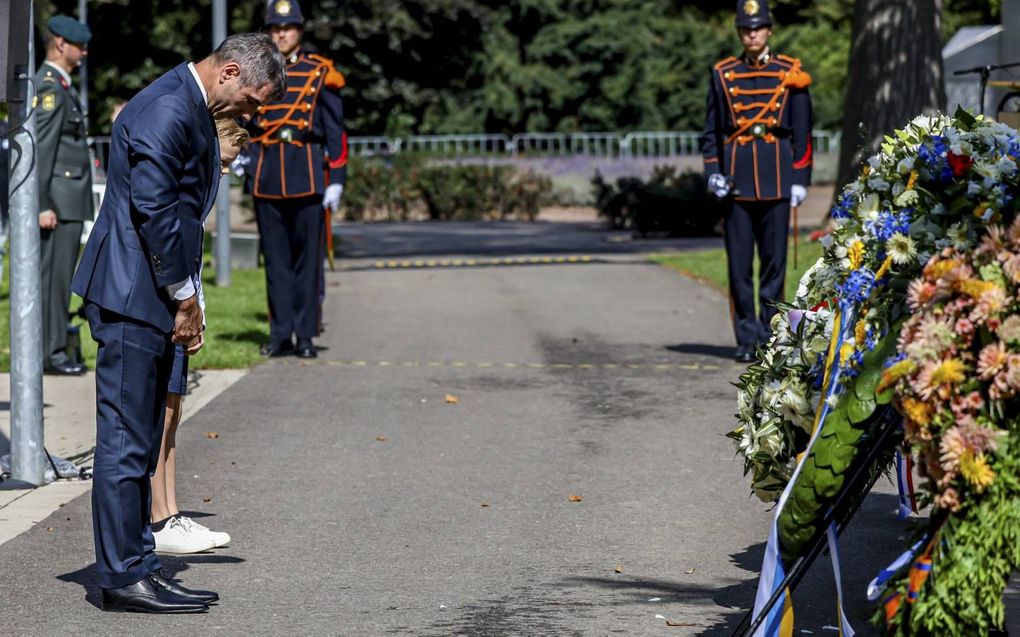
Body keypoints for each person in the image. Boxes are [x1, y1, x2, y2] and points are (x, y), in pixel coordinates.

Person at [70, 34, 285, 614]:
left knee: (139, 440)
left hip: (148, 292)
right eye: (252, 101)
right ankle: (121, 575)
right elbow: (156, 208)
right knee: (123, 439)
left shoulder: (186, 101)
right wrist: (185, 295)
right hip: (133, 293)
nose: (251, 114)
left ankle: (139, 563)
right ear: (231, 71)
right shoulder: (169, 105)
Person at [150, 119, 248, 555]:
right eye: (224, 162)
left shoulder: (198, 197)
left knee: (173, 416)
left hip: (185, 309)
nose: (225, 172)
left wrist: (199, 310)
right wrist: (187, 308)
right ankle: (159, 517)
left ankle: (170, 509)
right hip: (168, 311)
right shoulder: (185, 194)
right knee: (161, 418)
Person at [701, 0, 813, 363]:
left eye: (758, 27)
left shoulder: (790, 72)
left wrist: (800, 178)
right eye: (746, 29)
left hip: (778, 178)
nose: (752, 34)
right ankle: (746, 336)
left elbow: (802, 132)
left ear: (769, 31)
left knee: (774, 265)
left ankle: (770, 335)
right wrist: (712, 172)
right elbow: (712, 133)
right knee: (738, 267)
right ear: (740, 32)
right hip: (736, 180)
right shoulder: (722, 73)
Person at [240, 0, 348, 359]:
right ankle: (280, 333)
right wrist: (242, 154)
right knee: (275, 262)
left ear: (299, 31)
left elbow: (336, 132)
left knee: (308, 263)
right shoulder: (255, 74)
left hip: (308, 175)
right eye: (274, 28)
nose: (280, 34)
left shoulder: (321, 73)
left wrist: (337, 178)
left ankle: (304, 335)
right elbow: (245, 121)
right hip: (267, 175)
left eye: (286, 28)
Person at [36, 15, 94, 376]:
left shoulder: (61, 85)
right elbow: (42, 150)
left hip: (66, 202)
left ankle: (56, 348)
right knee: (53, 283)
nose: (84, 53)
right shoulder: (51, 87)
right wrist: (42, 204)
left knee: (60, 282)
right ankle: (51, 353)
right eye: (79, 46)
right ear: (60, 43)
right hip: (57, 203)